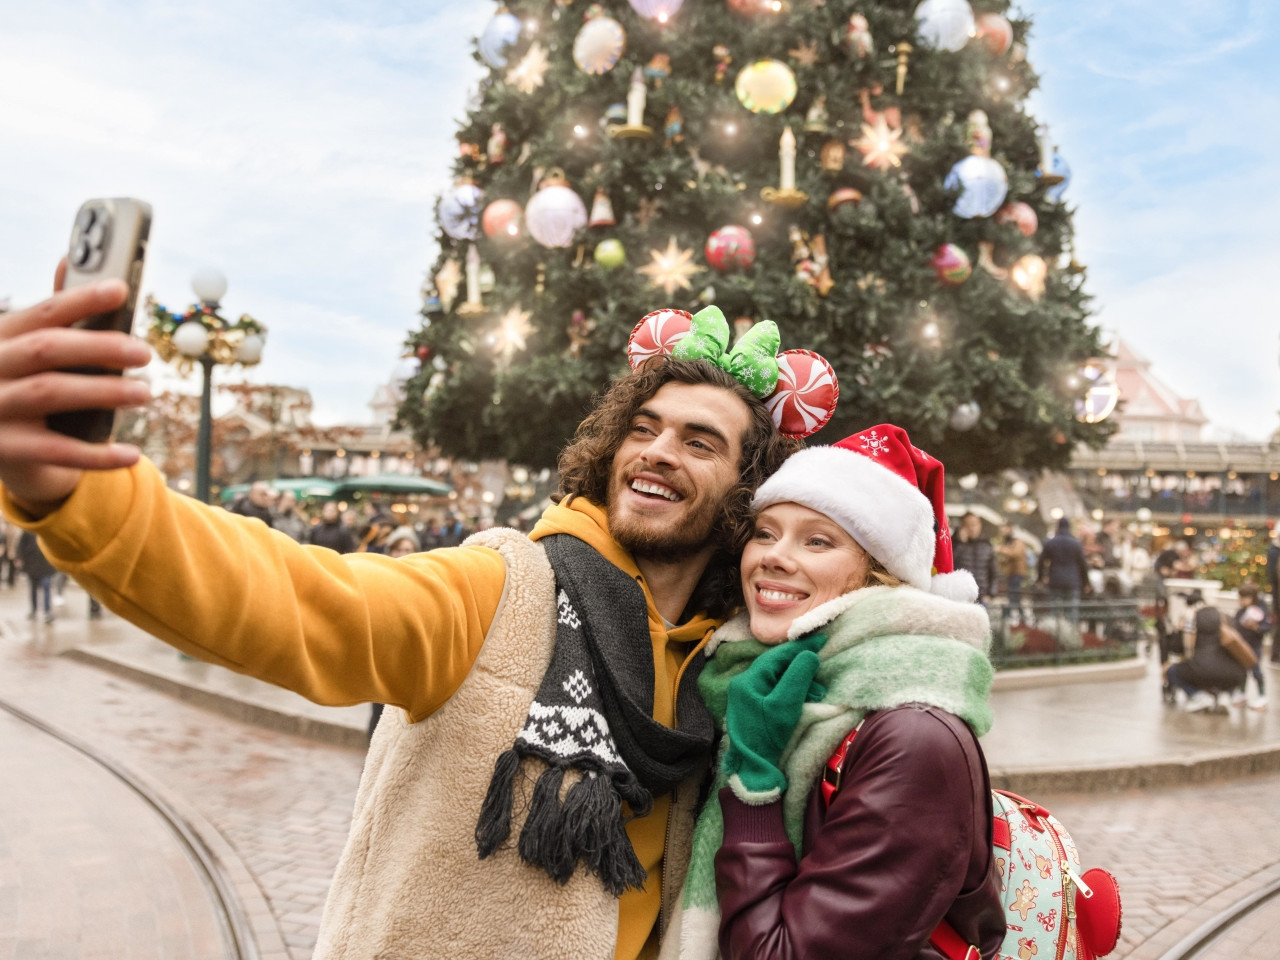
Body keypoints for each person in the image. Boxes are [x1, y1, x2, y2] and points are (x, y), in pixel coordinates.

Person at [0, 281, 818, 960]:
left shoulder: (729, 665)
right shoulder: (504, 588)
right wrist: (76, 493)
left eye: (699, 441)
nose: (658, 450)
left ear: (746, 490)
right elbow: (295, 600)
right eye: (643, 428)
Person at [668, 423, 1002, 960]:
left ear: (880, 576)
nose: (772, 557)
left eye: (818, 540)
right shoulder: (740, 679)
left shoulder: (915, 740)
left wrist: (755, 789)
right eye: (766, 532)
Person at [367, 525, 424, 742]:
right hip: (382, 655)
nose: (402, 554)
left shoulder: (422, 582)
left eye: (407, 549)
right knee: (377, 711)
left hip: (406, 658)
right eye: (398, 549)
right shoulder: (379, 576)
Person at [1165, 589, 1247, 713]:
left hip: (1199, 669)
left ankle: (1198, 696)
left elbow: (1176, 648)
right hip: (1231, 673)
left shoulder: (1190, 618)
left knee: (1171, 671)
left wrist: (1178, 630)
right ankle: (1225, 695)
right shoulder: (1224, 617)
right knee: (1235, 672)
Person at [1037, 517, 1089, 624]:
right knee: (1072, 612)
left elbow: (1041, 561)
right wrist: (1086, 583)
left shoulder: (1051, 543)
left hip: (1055, 580)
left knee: (1054, 611)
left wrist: (1040, 578)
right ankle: (1071, 635)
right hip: (1073, 581)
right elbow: (1083, 565)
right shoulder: (1076, 543)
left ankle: (1054, 636)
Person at [1231, 582, 1269, 710]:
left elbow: (1266, 628)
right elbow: (1235, 624)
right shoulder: (1241, 612)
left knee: (1256, 671)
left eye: (1245, 598)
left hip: (1254, 647)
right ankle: (1242, 694)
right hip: (1242, 646)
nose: (1242, 601)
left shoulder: (1261, 611)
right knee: (1242, 671)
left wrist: (1256, 627)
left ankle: (1262, 695)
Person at [952, 511, 997, 606]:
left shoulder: (986, 545)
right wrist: (961, 543)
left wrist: (990, 594)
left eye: (974, 524)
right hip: (960, 597)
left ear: (979, 525)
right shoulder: (953, 544)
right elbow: (950, 565)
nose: (972, 528)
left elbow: (993, 572)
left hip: (982, 597)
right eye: (967, 525)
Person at [16, 529, 57, 622]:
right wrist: (19, 558)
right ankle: (34, 610)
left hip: (45, 564)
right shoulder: (28, 530)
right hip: (32, 564)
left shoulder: (47, 529)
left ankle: (47, 611)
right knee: (33, 588)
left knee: (46, 586)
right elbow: (21, 545)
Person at [995, 523, 1028, 625]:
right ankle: (1018, 619)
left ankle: (1010, 618)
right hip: (1011, 573)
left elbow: (1016, 553)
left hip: (1016, 573)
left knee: (1014, 596)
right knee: (1013, 596)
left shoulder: (1016, 541)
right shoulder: (1008, 542)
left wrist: (1001, 549)